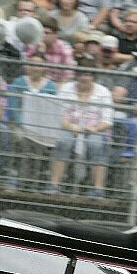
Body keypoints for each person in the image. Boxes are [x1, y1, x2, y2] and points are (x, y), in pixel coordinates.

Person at [44, 57, 114, 198]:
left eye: (88, 74)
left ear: (93, 76)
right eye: (82, 73)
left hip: (95, 129)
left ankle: (97, 189)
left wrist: (94, 129)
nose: (85, 77)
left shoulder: (103, 92)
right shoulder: (66, 88)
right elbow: (59, 114)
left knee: (95, 144)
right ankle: (54, 184)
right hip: (69, 127)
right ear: (77, 75)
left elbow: (107, 120)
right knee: (63, 141)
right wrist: (71, 126)